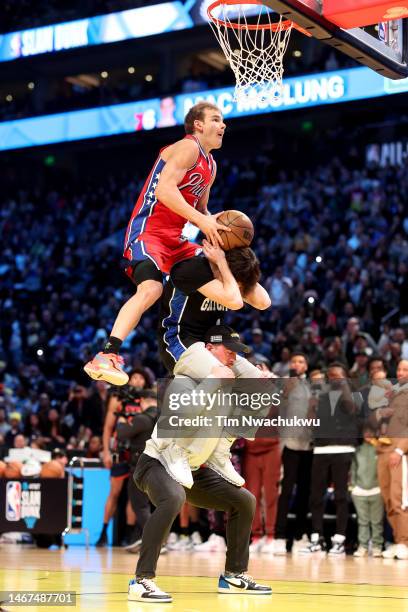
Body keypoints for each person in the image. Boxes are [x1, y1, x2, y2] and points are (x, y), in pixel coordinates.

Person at [84, 102, 228, 386]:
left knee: (217, 266)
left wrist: (217, 229)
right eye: (216, 119)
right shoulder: (187, 147)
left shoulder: (211, 164)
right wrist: (202, 222)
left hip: (176, 239)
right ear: (198, 124)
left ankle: (207, 340)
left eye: (223, 121)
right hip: (147, 232)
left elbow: (202, 209)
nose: (223, 125)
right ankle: (106, 354)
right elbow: (163, 191)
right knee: (151, 288)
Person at [128, 334, 272, 603]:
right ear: (209, 349)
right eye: (227, 351)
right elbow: (184, 416)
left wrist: (262, 394)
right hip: (156, 462)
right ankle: (142, 580)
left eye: (236, 353)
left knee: (244, 501)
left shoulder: (228, 391)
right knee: (173, 498)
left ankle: (234, 575)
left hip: (192, 468)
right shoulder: (183, 381)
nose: (233, 357)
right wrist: (213, 381)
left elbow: (244, 423)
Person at [154, 240, 271, 488]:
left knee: (263, 385)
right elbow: (235, 301)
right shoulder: (191, 269)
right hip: (178, 341)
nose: (238, 287)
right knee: (222, 377)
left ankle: (221, 448)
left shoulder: (227, 273)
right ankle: (176, 449)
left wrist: (242, 267)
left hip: (213, 343)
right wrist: (221, 263)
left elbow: (264, 302)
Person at [302, 362, 359, 555]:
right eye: (332, 375)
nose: (334, 378)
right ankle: (316, 538)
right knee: (316, 496)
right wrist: (311, 406)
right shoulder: (321, 396)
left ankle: (340, 539)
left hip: (343, 448)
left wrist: (344, 386)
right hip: (321, 449)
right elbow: (310, 423)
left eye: (338, 375)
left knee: (341, 496)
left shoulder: (354, 394)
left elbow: (352, 410)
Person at [95, 368, 152, 547]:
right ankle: (103, 532)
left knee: (134, 495)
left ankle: (131, 535)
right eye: (134, 377)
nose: (137, 381)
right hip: (120, 450)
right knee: (114, 492)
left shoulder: (147, 399)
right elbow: (107, 428)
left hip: (138, 451)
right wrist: (105, 451)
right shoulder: (118, 398)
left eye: (140, 378)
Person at [273, 352, 313, 555]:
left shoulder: (312, 384)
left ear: (306, 365)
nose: (297, 364)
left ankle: (299, 536)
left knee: (304, 493)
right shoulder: (286, 383)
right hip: (288, 444)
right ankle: (279, 536)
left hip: (309, 445)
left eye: (301, 361)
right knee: (286, 491)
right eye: (294, 361)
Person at [371, 359, 408, 560]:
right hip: (383, 449)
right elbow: (373, 417)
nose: (401, 372)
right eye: (400, 368)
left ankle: (404, 541)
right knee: (386, 498)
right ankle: (397, 539)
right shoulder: (390, 392)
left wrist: (401, 451)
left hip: (399, 451)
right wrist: (379, 413)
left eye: (406, 369)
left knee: (398, 498)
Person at [351, 427, 384, 558]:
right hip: (360, 492)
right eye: (365, 431)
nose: (368, 434)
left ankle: (377, 546)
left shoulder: (380, 449)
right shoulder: (357, 450)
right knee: (363, 521)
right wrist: (354, 487)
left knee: (377, 521)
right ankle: (363, 546)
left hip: (377, 490)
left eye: (371, 431)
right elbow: (353, 469)